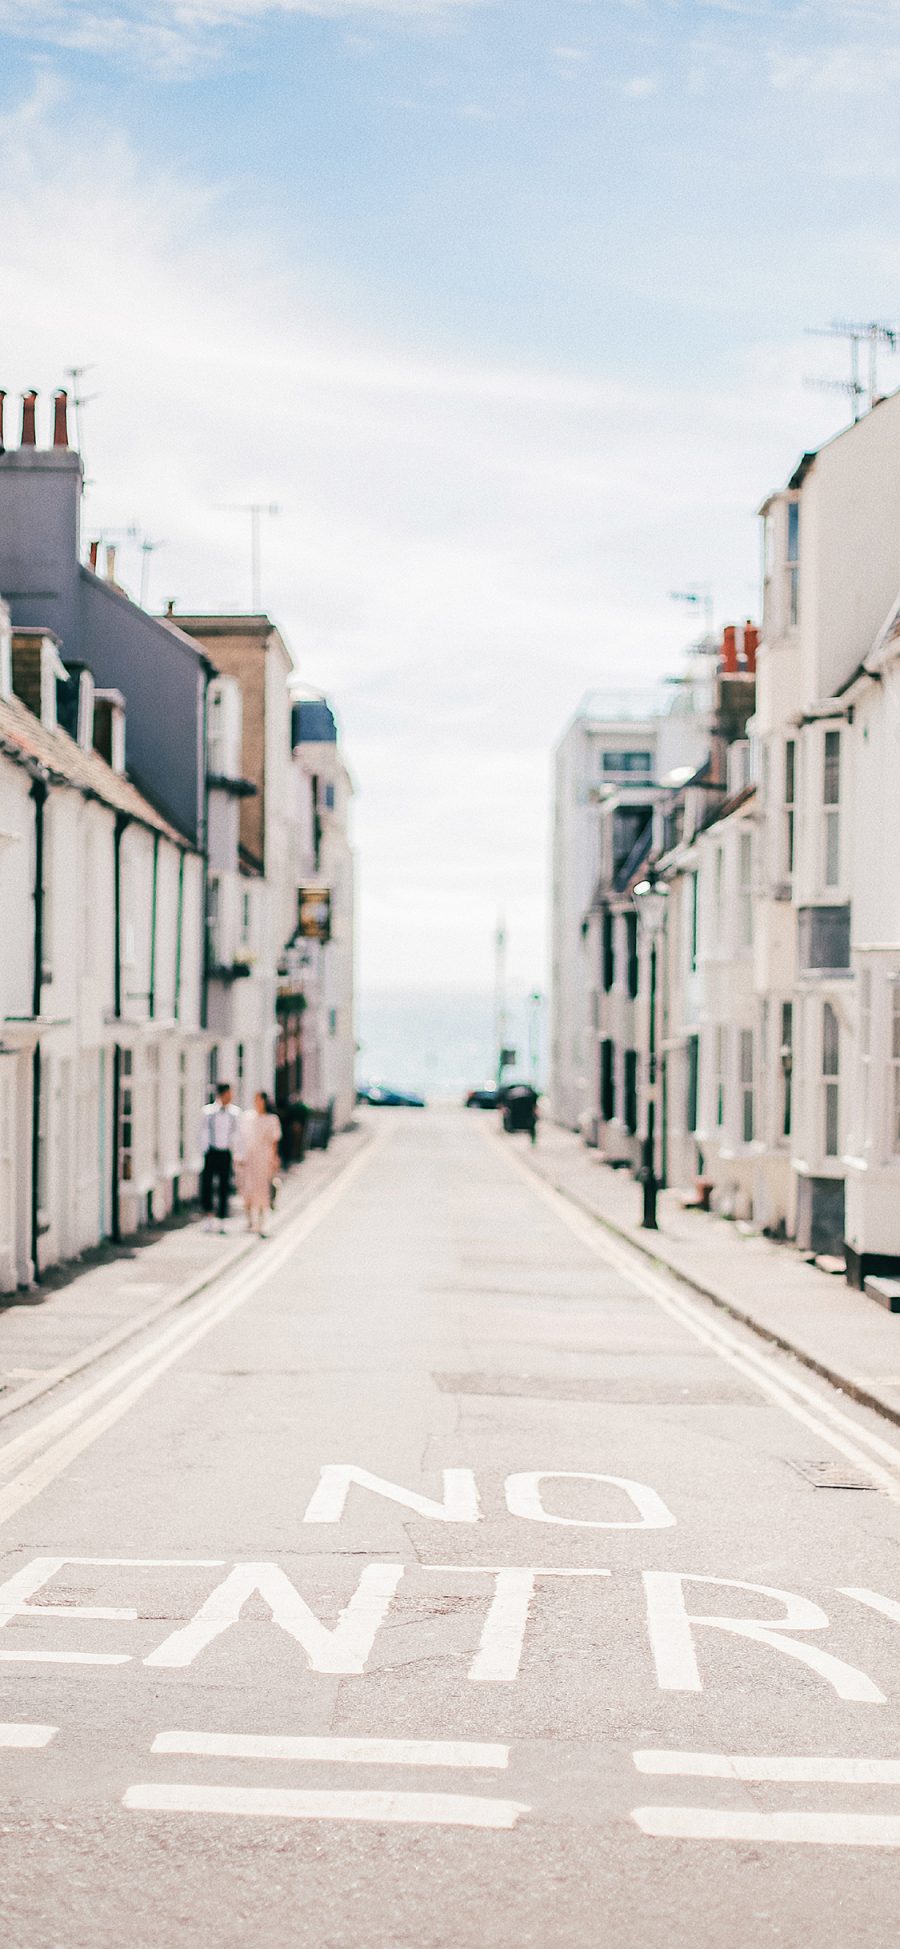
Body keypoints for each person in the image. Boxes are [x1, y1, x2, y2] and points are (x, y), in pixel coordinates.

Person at [200, 1082, 244, 1231]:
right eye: (228, 1093)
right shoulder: (208, 1112)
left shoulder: (235, 1113)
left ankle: (222, 1220)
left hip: (226, 1153)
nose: (231, 1096)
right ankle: (208, 1217)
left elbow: (237, 1135)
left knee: (224, 1187)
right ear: (221, 1094)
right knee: (207, 1186)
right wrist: (204, 1151)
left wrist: (238, 1154)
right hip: (211, 1152)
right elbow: (203, 1132)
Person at [241, 1090, 282, 1235]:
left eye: (260, 1100)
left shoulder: (272, 1119)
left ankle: (260, 1222)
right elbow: (242, 1139)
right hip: (250, 1157)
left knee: (262, 1191)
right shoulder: (248, 1117)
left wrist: (274, 1159)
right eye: (255, 1099)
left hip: (264, 1157)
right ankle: (249, 1222)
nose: (257, 1103)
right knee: (247, 1189)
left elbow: (274, 1141)